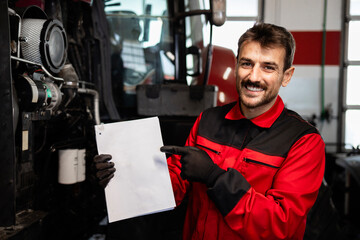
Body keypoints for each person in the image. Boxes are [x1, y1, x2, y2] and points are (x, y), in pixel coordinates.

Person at [94, 22, 325, 240]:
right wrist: (122, 176)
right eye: (247, 63)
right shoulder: (207, 121)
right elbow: (169, 188)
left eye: (268, 67)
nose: (253, 77)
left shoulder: (303, 142)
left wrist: (215, 177)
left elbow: (279, 224)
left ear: (286, 76)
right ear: (236, 66)